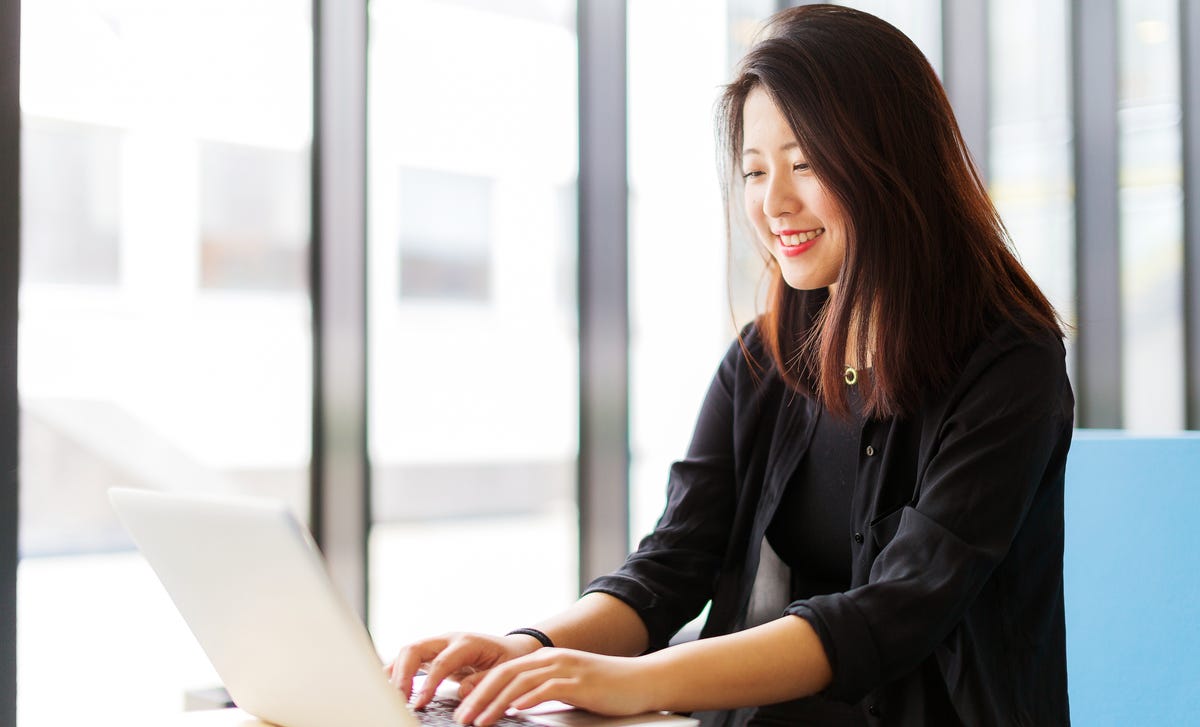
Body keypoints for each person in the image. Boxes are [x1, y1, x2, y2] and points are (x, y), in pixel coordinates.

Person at [387, 5, 1073, 726]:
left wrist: (640, 681)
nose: (773, 202)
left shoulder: (1009, 363)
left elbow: (894, 610)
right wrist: (528, 649)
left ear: (891, 159)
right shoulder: (762, 359)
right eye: (753, 171)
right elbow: (670, 565)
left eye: (805, 163)